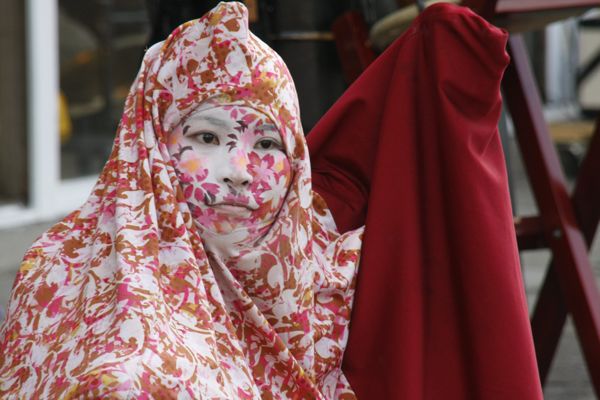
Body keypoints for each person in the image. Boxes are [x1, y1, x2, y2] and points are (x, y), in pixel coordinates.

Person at [0, 2, 543, 399]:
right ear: (151, 148)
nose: (239, 173)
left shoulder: (336, 272)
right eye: (206, 138)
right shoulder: (59, 272)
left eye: (267, 144)